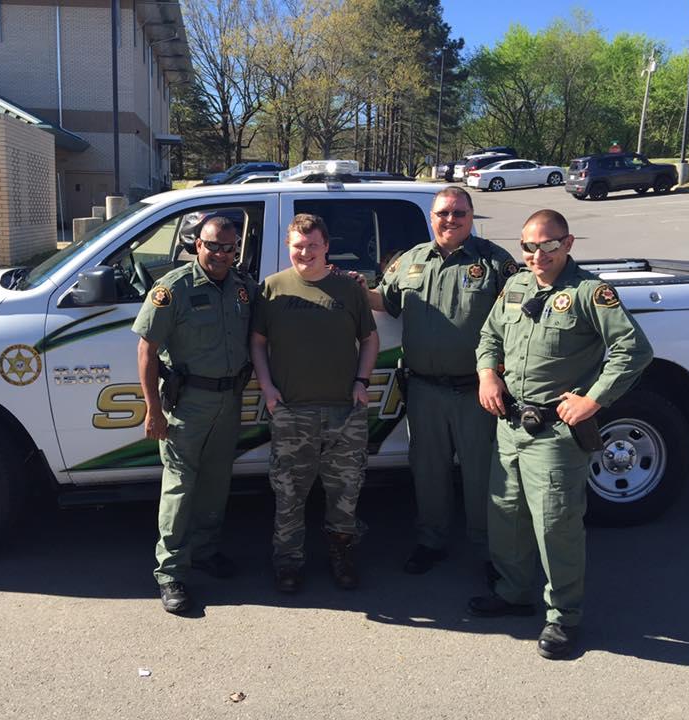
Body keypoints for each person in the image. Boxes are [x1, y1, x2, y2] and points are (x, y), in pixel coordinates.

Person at [469, 209, 653, 659]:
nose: (537, 255)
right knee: (507, 518)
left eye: (547, 245)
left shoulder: (590, 294)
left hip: (554, 434)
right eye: (528, 246)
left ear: (567, 244)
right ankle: (514, 594)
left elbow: (634, 349)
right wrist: (486, 375)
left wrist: (594, 400)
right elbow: (489, 336)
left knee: (556, 527)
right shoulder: (515, 287)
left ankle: (563, 618)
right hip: (510, 426)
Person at [367, 187, 518, 574]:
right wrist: (348, 287)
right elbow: (386, 301)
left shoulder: (495, 263)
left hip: (476, 391)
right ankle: (431, 540)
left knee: (482, 474)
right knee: (428, 470)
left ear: (471, 216)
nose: (450, 220)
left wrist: (497, 375)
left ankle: (490, 551)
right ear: (431, 217)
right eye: (442, 213)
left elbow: (514, 324)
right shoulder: (411, 261)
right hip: (423, 390)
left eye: (459, 213)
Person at [132, 215, 257, 614]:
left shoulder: (241, 288)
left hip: (229, 400)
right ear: (196, 245)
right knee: (180, 487)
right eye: (212, 246)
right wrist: (153, 410)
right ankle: (170, 573)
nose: (220, 254)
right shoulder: (173, 290)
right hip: (187, 405)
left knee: (217, 482)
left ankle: (205, 551)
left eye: (228, 248)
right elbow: (147, 351)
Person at [251, 213, 379, 593]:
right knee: (289, 494)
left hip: (344, 410)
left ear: (326, 247)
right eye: (297, 247)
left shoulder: (348, 288)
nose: (304, 253)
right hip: (291, 410)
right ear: (288, 247)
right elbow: (257, 342)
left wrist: (361, 381)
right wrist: (267, 388)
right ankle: (288, 562)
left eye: (312, 246)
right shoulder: (271, 289)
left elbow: (369, 339)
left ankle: (342, 555)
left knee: (345, 493)